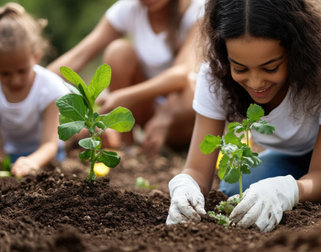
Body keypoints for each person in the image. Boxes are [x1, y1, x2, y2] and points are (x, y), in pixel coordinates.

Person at [165, 0, 321, 232]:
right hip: (294, 152)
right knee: (239, 191)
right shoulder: (215, 77)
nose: (256, 82)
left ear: (295, 50)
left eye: (270, 68)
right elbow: (197, 169)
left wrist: (287, 191)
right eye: (240, 68)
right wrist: (185, 187)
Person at [47, 0, 205, 156]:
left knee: (193, 83)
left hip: (185, 116)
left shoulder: (199, 10)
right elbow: (78, 55)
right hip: (148, 112)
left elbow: (182, 74)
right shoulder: (129, 8)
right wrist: (37, 81)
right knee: (118, 52)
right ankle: (124, 146)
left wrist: (127, 97)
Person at [0, 3, 68, 177]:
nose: (15, 80)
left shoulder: (49, 88)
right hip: (11, 154)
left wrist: (33, 162)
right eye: (5, 73)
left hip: (46, 156)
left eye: (22, 71)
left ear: (36, 56)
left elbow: (50, 144)